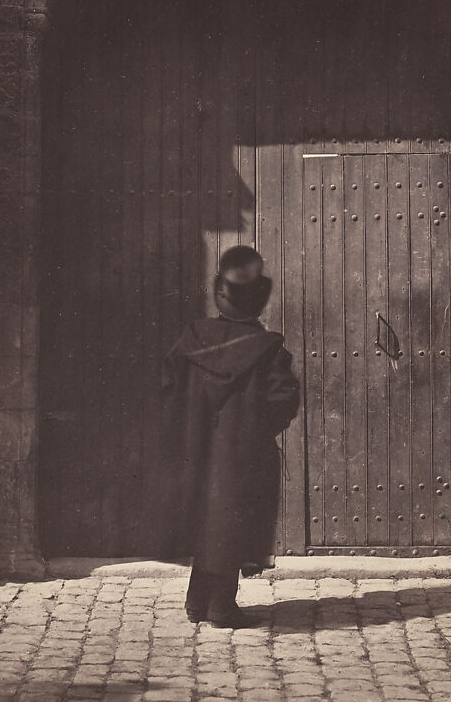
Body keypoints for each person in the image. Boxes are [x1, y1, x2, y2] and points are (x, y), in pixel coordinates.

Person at [158, 245, 300, 628]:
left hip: (195, 449)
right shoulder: (268, 349)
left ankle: (196, 601)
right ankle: (222, 607)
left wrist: (188, 427)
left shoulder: (192, 337)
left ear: (220, 294)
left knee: (207, 519)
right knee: (232, 521)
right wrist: (254, 430)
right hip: (242, 452)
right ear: (258, 302)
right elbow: (283, 400)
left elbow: (167, 387)